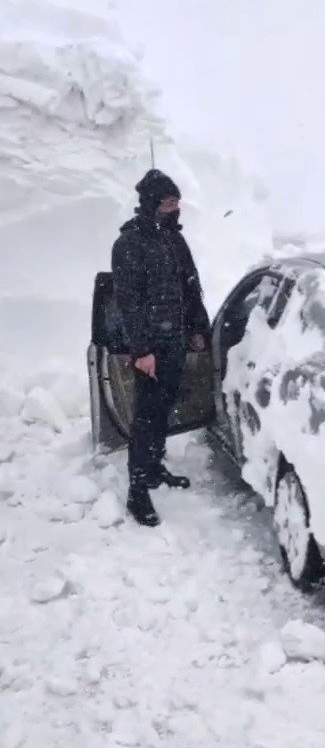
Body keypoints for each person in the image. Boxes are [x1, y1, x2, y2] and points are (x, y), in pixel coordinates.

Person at [111, 169, 209, 527]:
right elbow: (128, 303)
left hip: (177, 341)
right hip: (151, 348)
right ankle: (138, 492)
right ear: (152, 203)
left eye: (177, 202)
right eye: (169, 202)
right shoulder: (129, 244)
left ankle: (154, 469)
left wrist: (198, 328)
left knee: (165, 409)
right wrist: (141, 350)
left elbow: (190, 286)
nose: (175, 208)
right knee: (146, 418)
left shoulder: (172, 239)